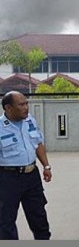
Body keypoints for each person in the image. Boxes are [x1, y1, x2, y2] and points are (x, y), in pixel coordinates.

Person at [0, 91, 52, 240]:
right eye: (21, 104)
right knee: (6, 222)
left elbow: (38, 143)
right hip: (8, 179)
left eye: (26, 103)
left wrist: (46, 166)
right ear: (8, 107)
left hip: (32, 176)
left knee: (39, 218)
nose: (26, 107)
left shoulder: (30, 121)